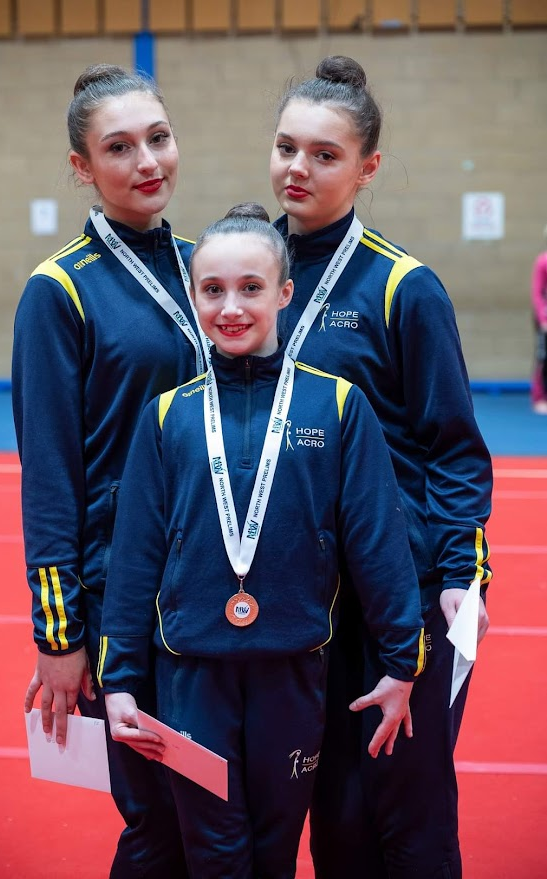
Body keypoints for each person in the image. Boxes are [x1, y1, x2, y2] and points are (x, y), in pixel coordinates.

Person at [97, 203, 426, 879]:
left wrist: (401, 660)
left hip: (293, 672)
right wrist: (121, 678)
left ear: (283, 293)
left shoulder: (336, 405)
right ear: (193, 296)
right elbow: (134, 559)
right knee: (213, 853)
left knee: (274, 854)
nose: (231, 306)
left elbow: (376, 541)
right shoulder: (168, 413)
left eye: (250, 287)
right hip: (190, 675)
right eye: (212, 289)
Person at [269, 56, 493, 879]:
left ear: (366, 167)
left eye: (324, 155)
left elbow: (455, 449)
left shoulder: (405, 287)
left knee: (408, 807)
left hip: (401, 595)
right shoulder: (254, 279)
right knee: (332, 811)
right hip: (302, 598)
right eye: (287, 147)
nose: (298, 168)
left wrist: (453, 588)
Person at [11, 63, 210, 877]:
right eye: (119, 148)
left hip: (216, 580)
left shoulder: (211, 267)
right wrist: (59, 635)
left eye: (157, 138)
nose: (146, 161)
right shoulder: (58, 292)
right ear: (82, 168)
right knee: (159, 819)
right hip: (121, 599)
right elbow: (49, 475)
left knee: (220, 811)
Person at [531, 225, 547, 414]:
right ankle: (539, 395)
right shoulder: (543, 262)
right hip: (545, 318)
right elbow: (537, 293)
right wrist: (542, 318)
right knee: (543, 355)